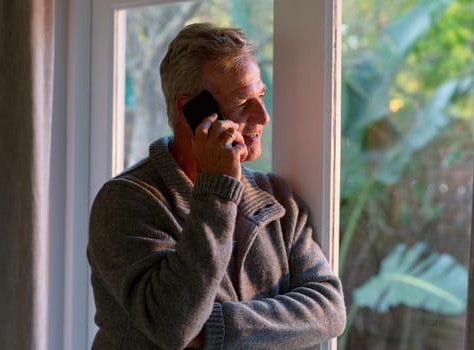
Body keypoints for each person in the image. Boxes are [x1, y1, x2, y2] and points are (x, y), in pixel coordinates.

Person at [87, 23, 346, 350]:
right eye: (242, 100)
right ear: (191, 112)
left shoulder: (277, 198)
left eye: (261, 96)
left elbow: (329, 309)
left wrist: (216, 329)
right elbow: (174, 325)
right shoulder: (125, 203)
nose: (263, 116)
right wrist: (218, 187)